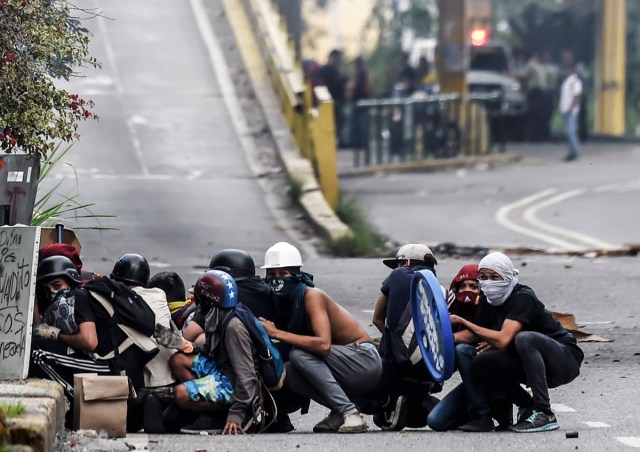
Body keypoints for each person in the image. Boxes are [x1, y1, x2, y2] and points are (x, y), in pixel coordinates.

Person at [445, 252, 584, 433]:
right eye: (484, 277)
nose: (489, 282)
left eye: (495, 277)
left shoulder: (523, 297)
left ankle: (544, 412)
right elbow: (474, 335)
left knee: (525, 338)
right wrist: (445, 339)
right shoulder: (487, 299)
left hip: (563, 359)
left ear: (509, 276)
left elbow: (503, 339)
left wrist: (463, 322)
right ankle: (527, 406)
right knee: (481, 361)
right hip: (526, 361)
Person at [258, 241, 382, 434]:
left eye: (283, 274)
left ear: (296, 275)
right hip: (340, 364)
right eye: (272, 275)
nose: (276, 280)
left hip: (363, 359)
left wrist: (276, 333)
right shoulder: (281, 302)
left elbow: (323, 345)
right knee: (287, 371)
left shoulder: (312, 296)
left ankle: (350, 413)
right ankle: (342, 411)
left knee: (299, 354)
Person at [163, 270, 271, 434]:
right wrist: (187, 346)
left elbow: (246, 375)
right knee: (178, 360)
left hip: (236, 383)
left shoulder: (234, 327)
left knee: (180, 394)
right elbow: (214, 350)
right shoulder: (220, 314)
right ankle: (206, 405)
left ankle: (220, 414)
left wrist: (236, 414)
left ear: (208, 300)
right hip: (224, 369)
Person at [370, 244, 442, 431]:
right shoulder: (440, 291)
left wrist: (392, 340)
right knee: (416, 419)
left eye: (399, 264)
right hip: (430, 371)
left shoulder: (397, 276)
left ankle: (386, 402)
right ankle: (419, 399)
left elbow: (377, 318)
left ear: (406, 263)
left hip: (393, 368)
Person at [318, 49, 347, 147]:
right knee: (332, 123)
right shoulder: (327, 71)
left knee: (338, 123)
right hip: (330, 102)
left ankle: (337, 140)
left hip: (337, 101)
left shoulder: (332, 70)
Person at [559, 61, 583, 161]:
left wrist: (571, 108)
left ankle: (575, 151)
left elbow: (576, 96)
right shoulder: (567, 81)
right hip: (565, 110)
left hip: (571, 111)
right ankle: (571, 151)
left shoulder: (575, 82)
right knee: (568, 132)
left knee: (570, 132)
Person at [348, 55, 370, 150]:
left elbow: (358, 86)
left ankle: (360, 142)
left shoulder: (361, 73)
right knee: (359, 122)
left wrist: (351, 88)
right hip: (359, 100)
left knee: (360, 123)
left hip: (360, 100)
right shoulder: (362, 72)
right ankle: (359, 142)